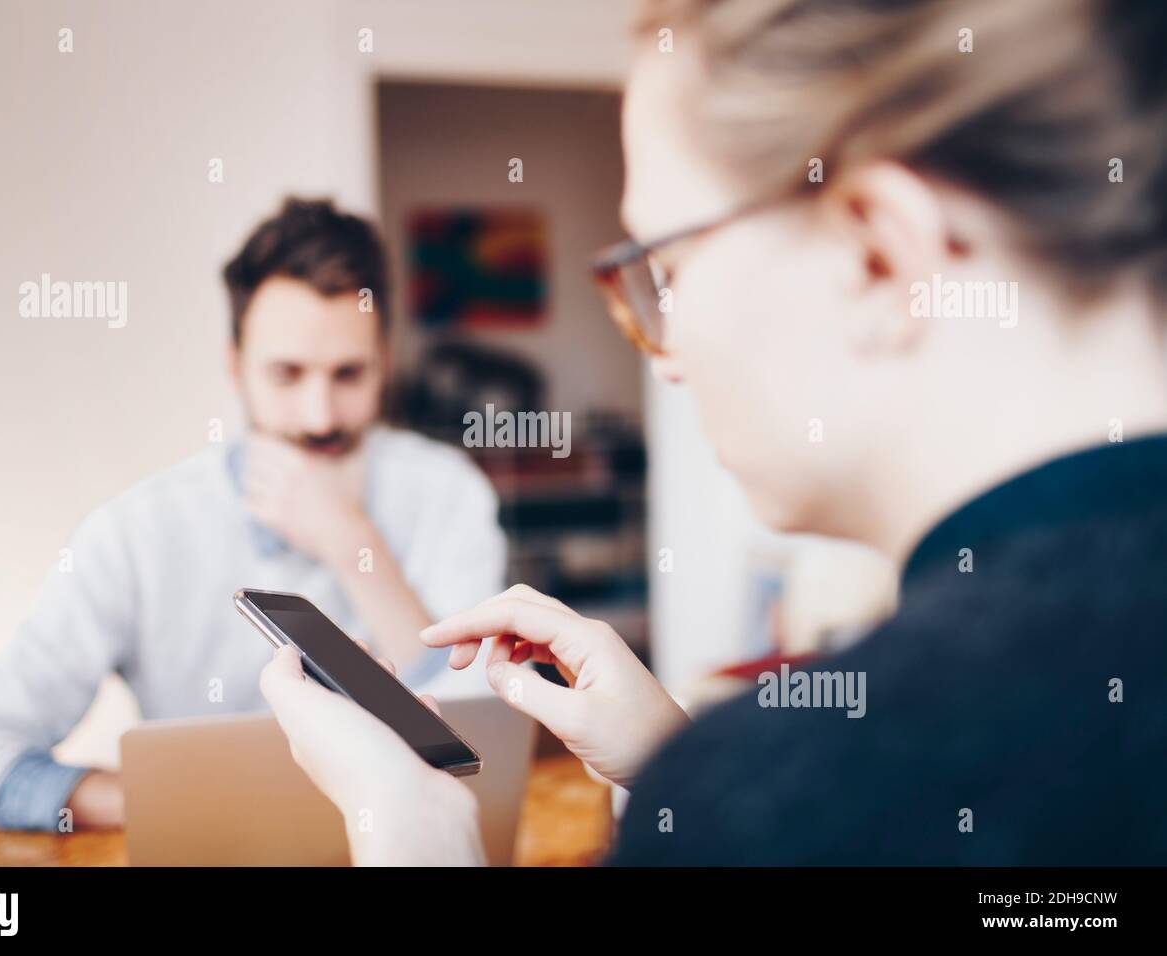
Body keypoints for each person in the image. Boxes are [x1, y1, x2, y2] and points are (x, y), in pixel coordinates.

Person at [259, 0, 1167, 865]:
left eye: (666, 270)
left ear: (879, 256)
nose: (665, 355)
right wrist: (676, 768)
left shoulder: (811, 794)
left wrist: (412, 830)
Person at [0, 198, 506, 831]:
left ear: (385, 360)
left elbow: (484, 753)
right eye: (286, 374)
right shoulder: (137, 535)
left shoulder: (449, 493)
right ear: (235, 366)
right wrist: (173, 803)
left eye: (348, 374)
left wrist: (353, 545)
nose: (320, 416)